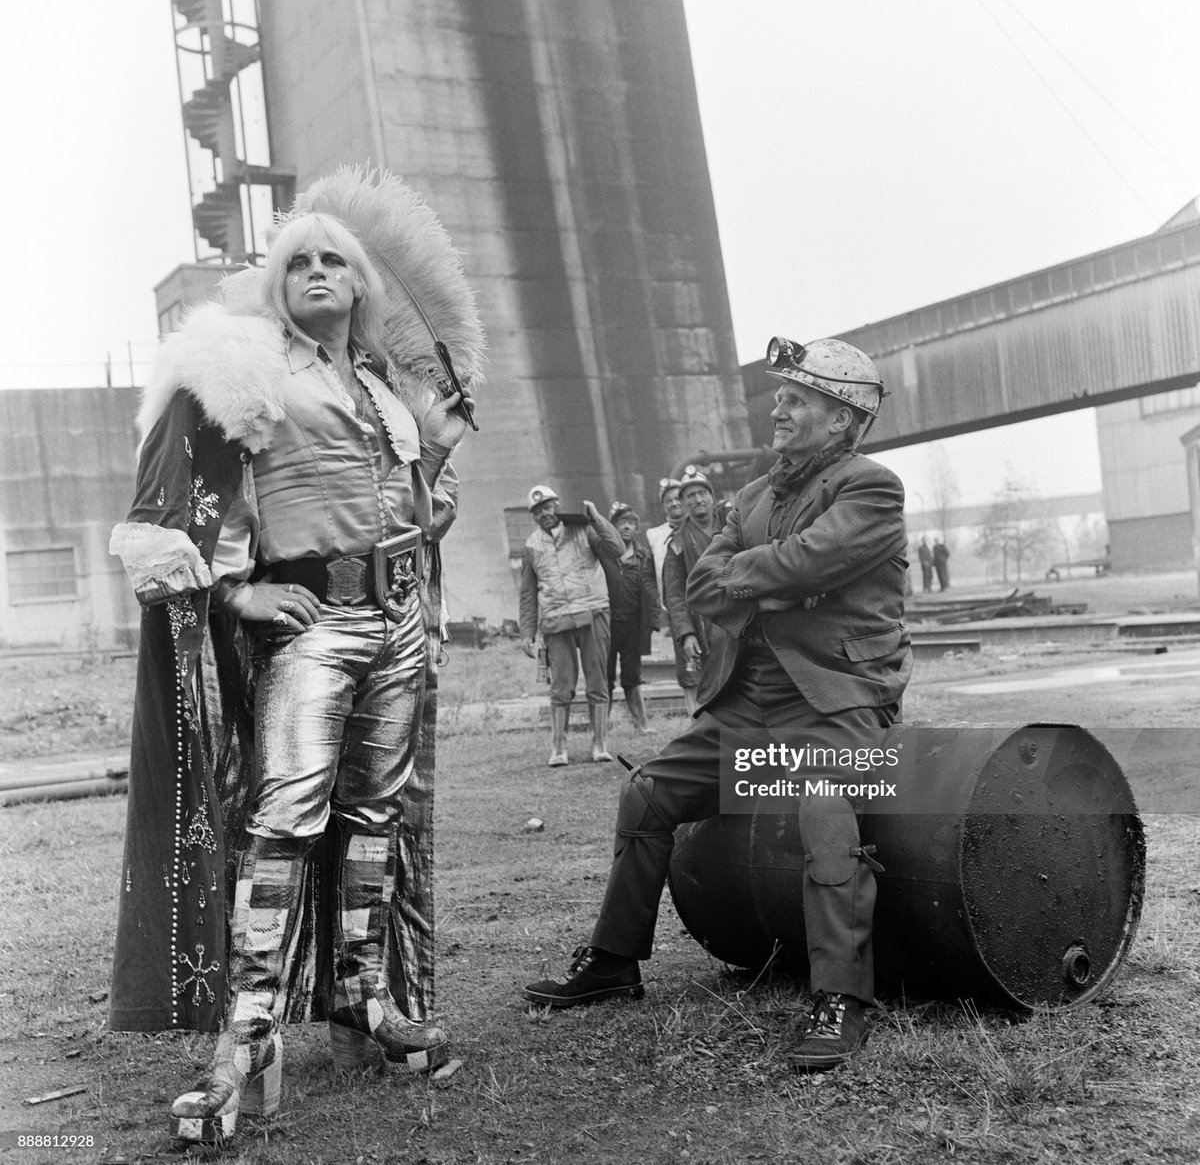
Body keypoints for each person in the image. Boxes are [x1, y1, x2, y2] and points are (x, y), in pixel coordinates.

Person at [107, 167, 483, 1143]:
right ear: (277, 285)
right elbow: (200, 502)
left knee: (372, 817)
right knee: (285, 815)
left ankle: (362, 995)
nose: (318, 271)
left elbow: (408, 518)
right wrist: (240, 590)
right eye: (299, 260)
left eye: (335, 261)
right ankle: (252, 1025)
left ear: (361, 288)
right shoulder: (246, 370)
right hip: (310, 628)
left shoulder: (379, 388)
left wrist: (431, 468)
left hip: (394, 626)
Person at [523, 335, 911, 1072]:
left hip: (836, 707)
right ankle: (612, 962)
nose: (781, 411)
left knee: (825, 809)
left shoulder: (872, 487)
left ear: (842, 419)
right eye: (782, 398)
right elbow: (704, 583)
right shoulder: (759, 494)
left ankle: (841, 1000)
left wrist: (767, 574)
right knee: (647, 793)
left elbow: (810, 559)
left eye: (799, 400)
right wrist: (783, 582)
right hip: (748, 706)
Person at [520, 487, 623, 765]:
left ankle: (600, 744)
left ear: (558, 505)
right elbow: (528, 593)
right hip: (556, 620)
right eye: (538, 511)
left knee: (597, 680)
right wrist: (527, 632)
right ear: (534, 517)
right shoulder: (531, 545)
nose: (545, 514)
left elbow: (617, 548)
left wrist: (597, 519)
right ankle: (558, 748)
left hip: (593, 613)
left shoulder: (584, 529)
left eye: (549, 507)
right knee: (561, 686)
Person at [601, 502, 663, 733]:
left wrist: (653, 621)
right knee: (604, 676)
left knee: (632, 676)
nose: (626, 527)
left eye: (631, 523)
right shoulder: (603, 554)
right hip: (606, 626)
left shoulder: (643, 556)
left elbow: (652, 589)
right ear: (612, 527)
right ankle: (602, 726)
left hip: (633, 625)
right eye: (621, 523)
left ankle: (641, 725)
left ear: (636, 528)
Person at [662, 465, 719, 715]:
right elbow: (674, 595)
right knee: (713, 690)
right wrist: (686, 634)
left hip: (742, 616)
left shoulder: (734, 524)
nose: (697, 499)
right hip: (706, 625)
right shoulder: (678, 542)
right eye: (690, 496)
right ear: (684, 504)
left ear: (711, 496)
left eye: (701, 493)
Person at [645, 477, 685, 602]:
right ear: (663, 506)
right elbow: (647, 576)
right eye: (668, 501)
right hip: (674, 606)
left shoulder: (699, 527)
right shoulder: (654, 535)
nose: (674, 503)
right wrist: (660, 599)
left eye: (677, 499)